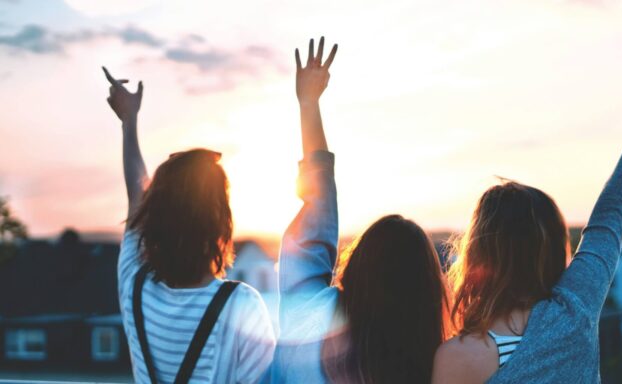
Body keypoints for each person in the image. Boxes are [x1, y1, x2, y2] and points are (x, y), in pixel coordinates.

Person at [432, 38, 622, 383]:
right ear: (551, 247)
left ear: (479, 252)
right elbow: (614, 203)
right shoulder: (575, 308)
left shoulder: (456, 358)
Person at [269, 37, 452, 383]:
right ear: (425, 291)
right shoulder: (431, 365)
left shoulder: (306, 321)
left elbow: (317, 212)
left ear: (358, 266)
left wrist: (308, 104)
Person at [103, 67, 275, 383]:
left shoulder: (134, 287)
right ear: (220, 223)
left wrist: (129, 122)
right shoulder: (242, 307)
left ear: (153, 219)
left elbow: (136, 197)